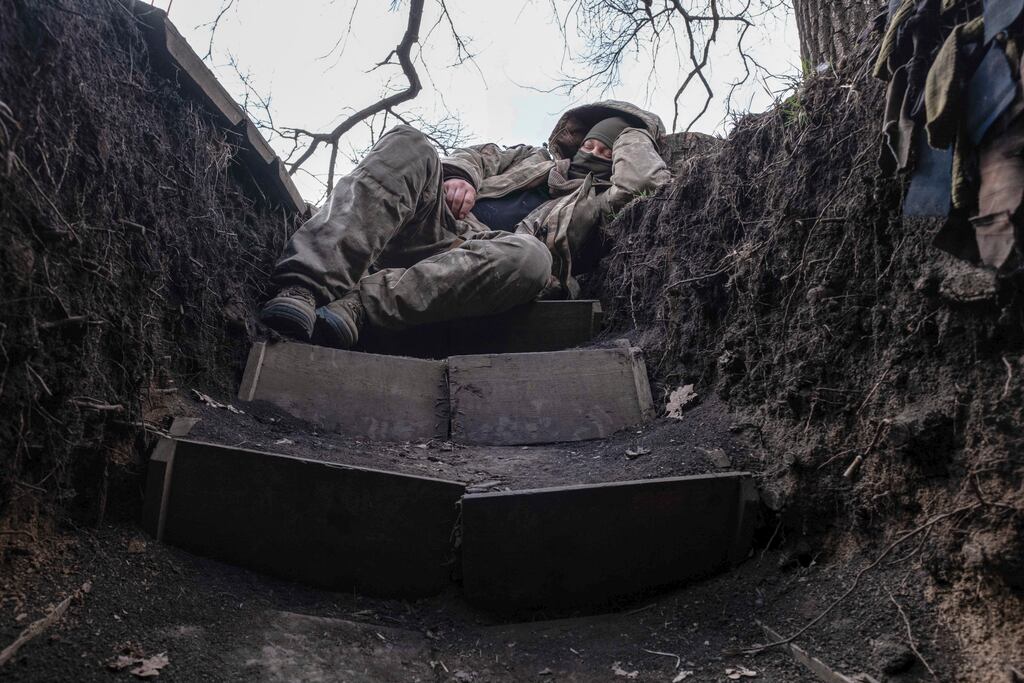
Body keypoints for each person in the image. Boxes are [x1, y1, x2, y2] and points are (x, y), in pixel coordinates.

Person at [259, 100, 671, 349]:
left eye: (605, 149)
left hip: (483, 265)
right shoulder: (528, 156)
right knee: (410, 142)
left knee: (531, 257)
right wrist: (460, 177)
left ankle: (358, 305)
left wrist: (634, 134)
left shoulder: (600, 202)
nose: (592, 151)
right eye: (589, 143)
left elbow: (645, 185)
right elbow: (479, 156)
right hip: (437, 223)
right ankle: (304, 288)